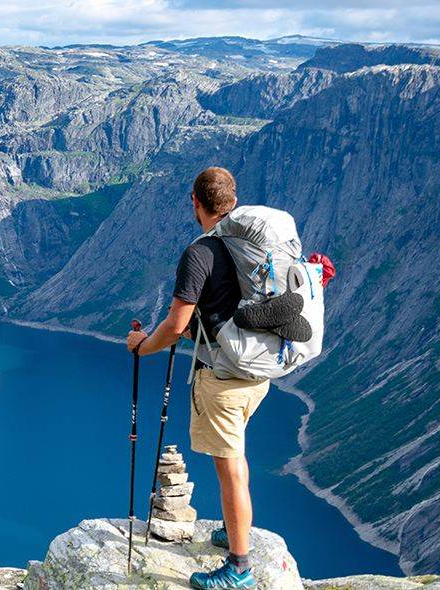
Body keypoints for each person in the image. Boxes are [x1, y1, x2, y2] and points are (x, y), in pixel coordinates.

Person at [126, 167, 269, 590]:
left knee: (229, 469)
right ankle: (233, 529)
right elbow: (222, 315)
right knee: (236, 458)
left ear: (196, 202)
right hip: (256, 372)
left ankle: (239, 566)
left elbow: (176, 324)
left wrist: (142, 346)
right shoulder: (251, 243)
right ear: (232, 199)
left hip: (223, 379)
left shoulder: (201, 253)